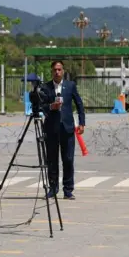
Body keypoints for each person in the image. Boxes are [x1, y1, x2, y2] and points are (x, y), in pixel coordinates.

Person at [41, 60, 85, 200]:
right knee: (52, 160)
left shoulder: (70, 85)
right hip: (51, 128)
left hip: (67, 128)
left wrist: (82, 122)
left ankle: (68, 190)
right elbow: (41, 106)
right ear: (51, 71)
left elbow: (79, 104)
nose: (57, 72)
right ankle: (53, 188)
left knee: (68, 159)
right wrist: (50, 107)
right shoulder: (45, 87)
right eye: (55, 70)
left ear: (63, 71)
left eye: (59, 69)